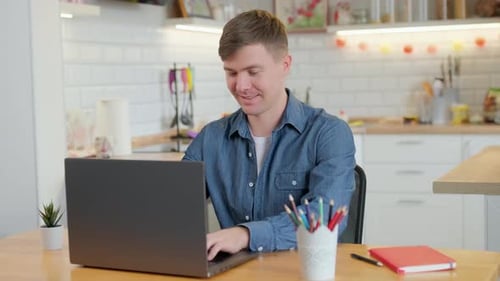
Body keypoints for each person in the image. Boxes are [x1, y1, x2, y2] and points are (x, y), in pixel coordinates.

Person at [182, 9, 355, 261]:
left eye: (253, 72)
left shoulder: (328, 134)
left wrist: (245, 235)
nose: (240, 86)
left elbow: (325, 219)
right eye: (231, 72)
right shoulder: (210, 139)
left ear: (284, 65)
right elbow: (173, 209)